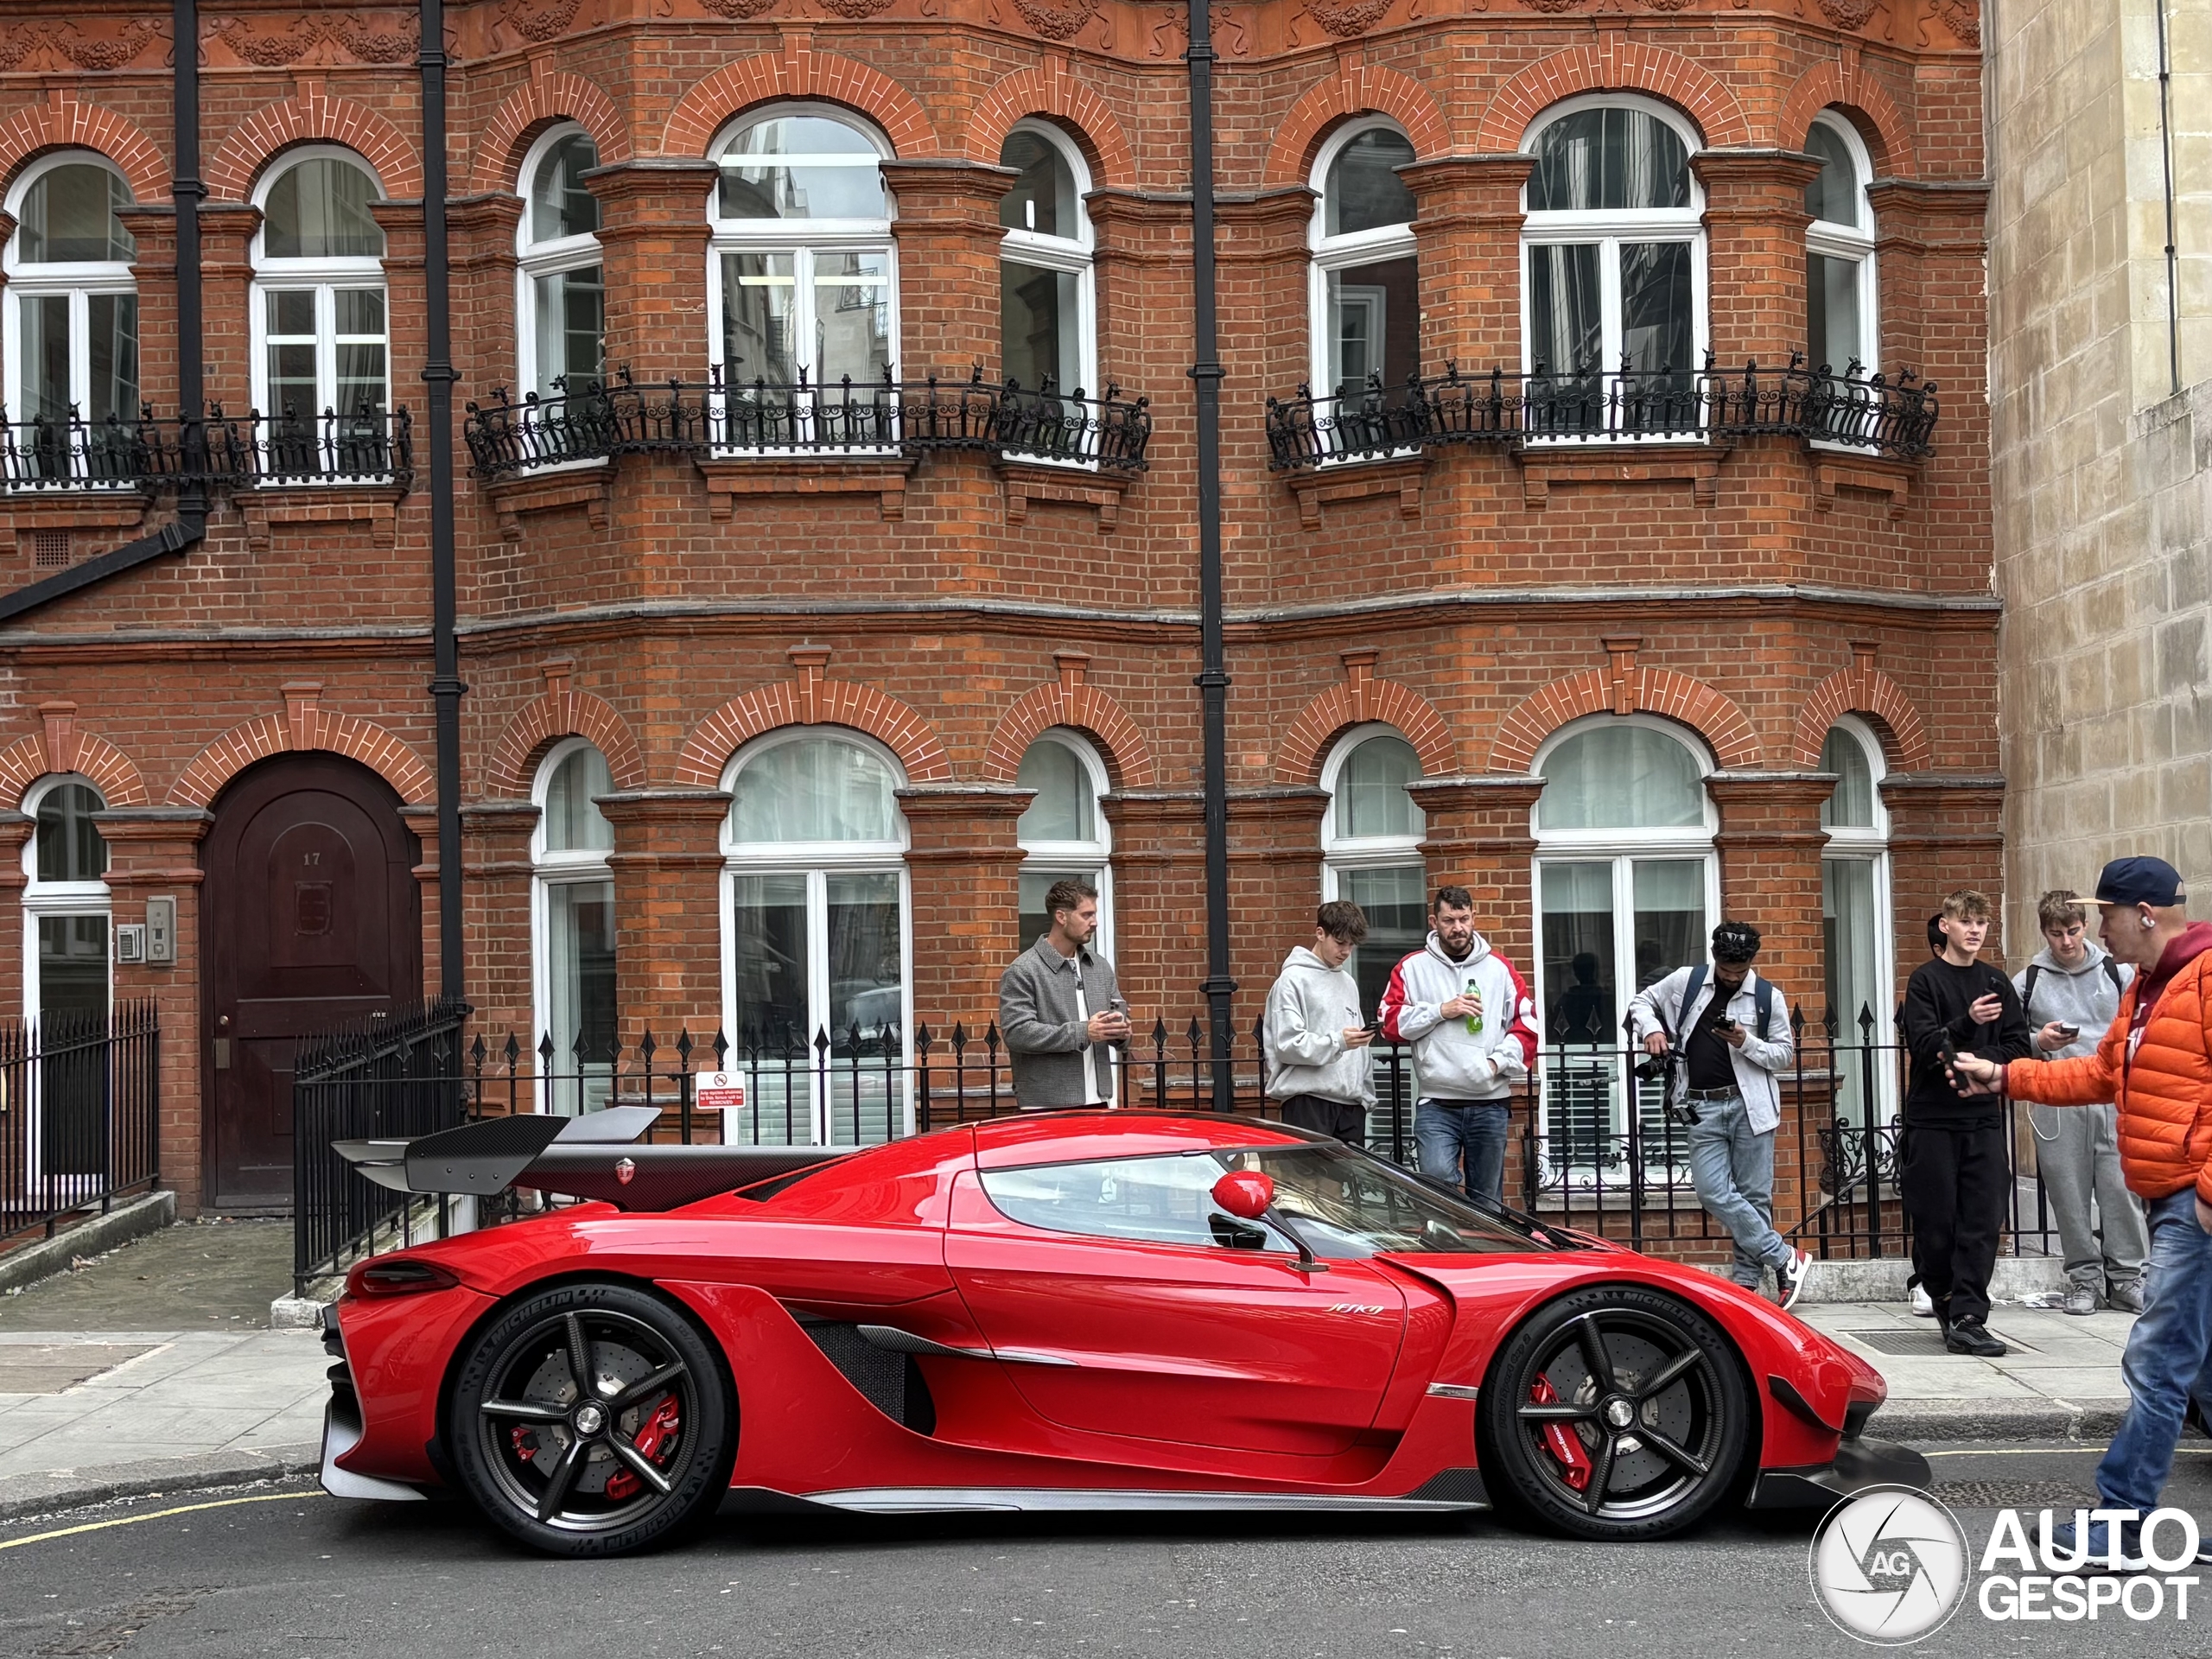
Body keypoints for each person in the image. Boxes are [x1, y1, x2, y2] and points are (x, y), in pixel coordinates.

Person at [1951, 857, 2212, 1567]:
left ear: (2146, 915)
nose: (2098, 928)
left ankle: (2123, 1526)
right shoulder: (2148, 988)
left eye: (2107, 914)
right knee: (2204, 1369)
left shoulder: (2205, 978)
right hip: (2169, 1196)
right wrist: (2004, 1075)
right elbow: (2100, 1074)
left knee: (2157, 1358)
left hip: (2197, 1203)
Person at [1630, 920, 1812, 1308]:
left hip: (1751, 1105)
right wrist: (1651, 1030)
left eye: (1739, 972)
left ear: (1750, 963)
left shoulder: (1767, 997)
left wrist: (1745, 1042)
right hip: (1700, 1104)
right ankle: (1784, 1257)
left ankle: (1746, 1283)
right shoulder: (1687, 981)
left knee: (1753, 1197)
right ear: (1715, 959)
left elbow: (1784, 1054)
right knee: (1712, 1191)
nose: (1732, 978)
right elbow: (1641, 1002)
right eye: (1727, 971)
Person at [1898, 888, 2033, 1357]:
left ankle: (1970, 1316)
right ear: (1946, 926)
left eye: (1981, 923)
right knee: (1935, 1224)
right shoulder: (1925, 981)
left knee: (1982, 1220)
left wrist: (1980, 1059)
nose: (1975, 930)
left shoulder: (1997, 981)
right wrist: (1965, 1023)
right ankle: (1946, 1298)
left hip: (1982, 1121)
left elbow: (2018, 1048)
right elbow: (1923, 1047)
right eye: (1965, 921)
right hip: (1933, 1120)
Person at [2013, 889, 2145, 1316]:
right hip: (2057, 1095)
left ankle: (2128, 1278)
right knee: (2068, 1194)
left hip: (2111, 1094)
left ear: (2085, 927)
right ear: (2044, 933)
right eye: (2056, 934)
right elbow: (2009, 1043)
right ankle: (2084, 1280)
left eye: (2072, 931)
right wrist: (2040, 1040)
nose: (2066, 942)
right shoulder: (2028, 980)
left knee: (2120, 1190)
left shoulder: (2116, 971)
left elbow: (2142, 1024)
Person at [1377, 886, 1537, 1205]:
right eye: (1449, 920)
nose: (1458, 928)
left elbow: (1527, 1026)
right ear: (1434, 921)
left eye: (1464, 918)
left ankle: (1486, 1255)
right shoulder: (1412, 967)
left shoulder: (1499, 968)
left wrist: (1495, 1064)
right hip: (1437, 1102)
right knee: (1437, 1188)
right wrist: (1440, 1011)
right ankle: (1448, 1250)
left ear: (1474, 917)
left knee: (1487, 1201)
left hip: (1490, 1102)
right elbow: (1388, 1023)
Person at [996, 877, 1128, 1111]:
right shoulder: (1024, 970)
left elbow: (1113, 1030)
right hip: (1046, 1104)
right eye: (1086, 915)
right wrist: (1084, 1031)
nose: (1095, 922)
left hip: (1099, 1100)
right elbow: (1017, 1033)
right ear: (1061, 917)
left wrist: (1119, 1032)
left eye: (1095, 914)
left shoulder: (1099, 966)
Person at [1263, 900, 1376, 1145]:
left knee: (1343, 1183)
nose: (1346, 951)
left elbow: (1358, 1050)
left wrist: (1365, 1095)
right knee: (1309, 1183)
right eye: (1339, 942)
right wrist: (1339, 1041)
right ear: (1320, 933)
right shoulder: (1292, 980)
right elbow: (1287, 1045)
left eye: (1351, 944)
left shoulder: (1347, 982)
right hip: (1308, 1100)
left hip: (1350, 1104)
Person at [1553, 952, 1610, 1043]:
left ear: (1575, 973)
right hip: (1602, 1046)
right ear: (1595, 971)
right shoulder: (1607, 998)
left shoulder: (1566, 1000)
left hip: (1572, 1048)